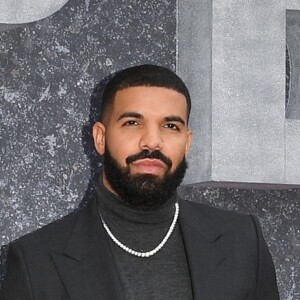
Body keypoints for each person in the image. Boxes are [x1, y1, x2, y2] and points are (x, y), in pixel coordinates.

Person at [0, 64, 279, 299]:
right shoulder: (36, 260)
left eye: (171, 126)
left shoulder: (243, 241)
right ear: (100, 138)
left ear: (187, 143)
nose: (152, 142)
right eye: (133, 122)